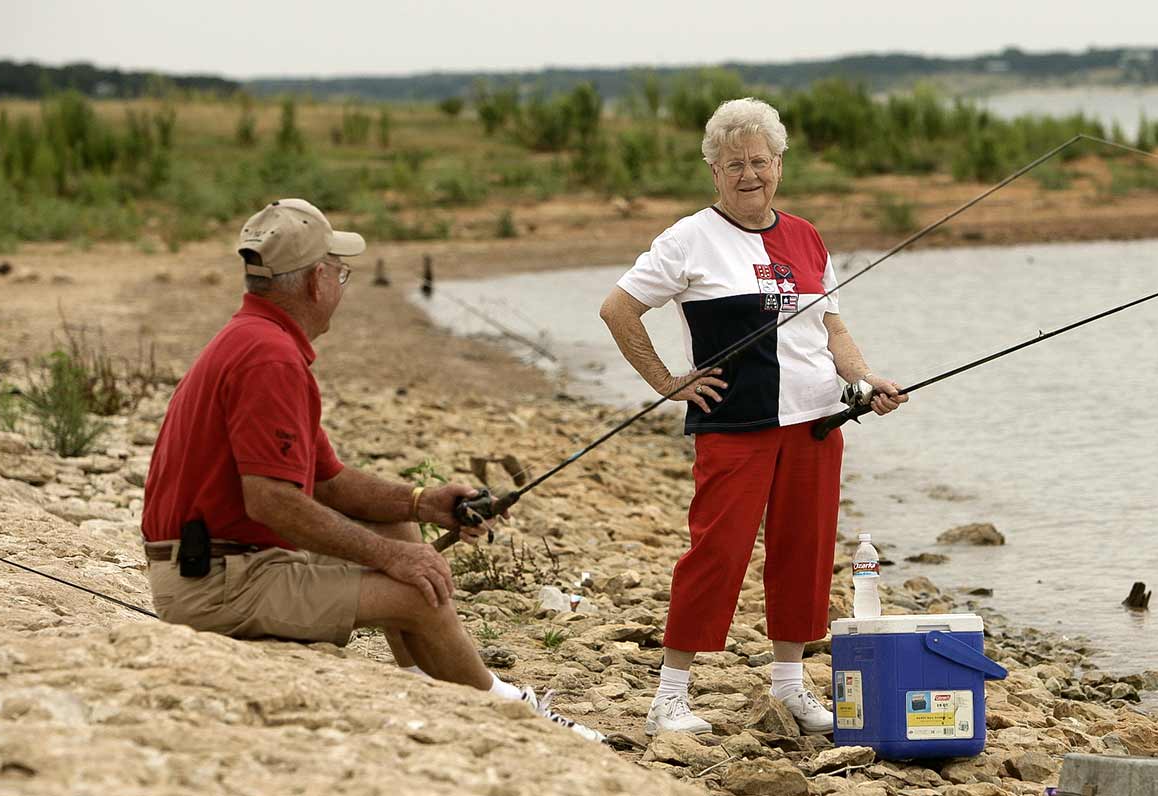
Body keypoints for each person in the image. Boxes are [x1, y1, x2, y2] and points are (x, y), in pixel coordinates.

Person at [141, 198, 601, 742]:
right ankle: (512, 714)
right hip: (216, 585)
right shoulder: (269, 359)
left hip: (224, 564)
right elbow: (270, 502)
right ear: (317, 281)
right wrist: (391, 558)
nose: (342, 283)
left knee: (398, 527)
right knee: (416, 594)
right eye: (341, 271)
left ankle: (423, 682)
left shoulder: (258, 340)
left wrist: (426, 503)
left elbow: (331, 482)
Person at [598, 99, 907, 737]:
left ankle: (790, 685)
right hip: (735, 426)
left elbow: (831, 325)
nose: (749, 175)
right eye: (734, 163)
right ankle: (670, 695)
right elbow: (618, 310)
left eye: (759, 162)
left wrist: (863, 378)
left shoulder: (805, 235)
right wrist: (667, 382)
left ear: (779, 165)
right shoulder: (688, 238)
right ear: (713, 170)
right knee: (718, 552)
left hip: (817, 422)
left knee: (806, 552)